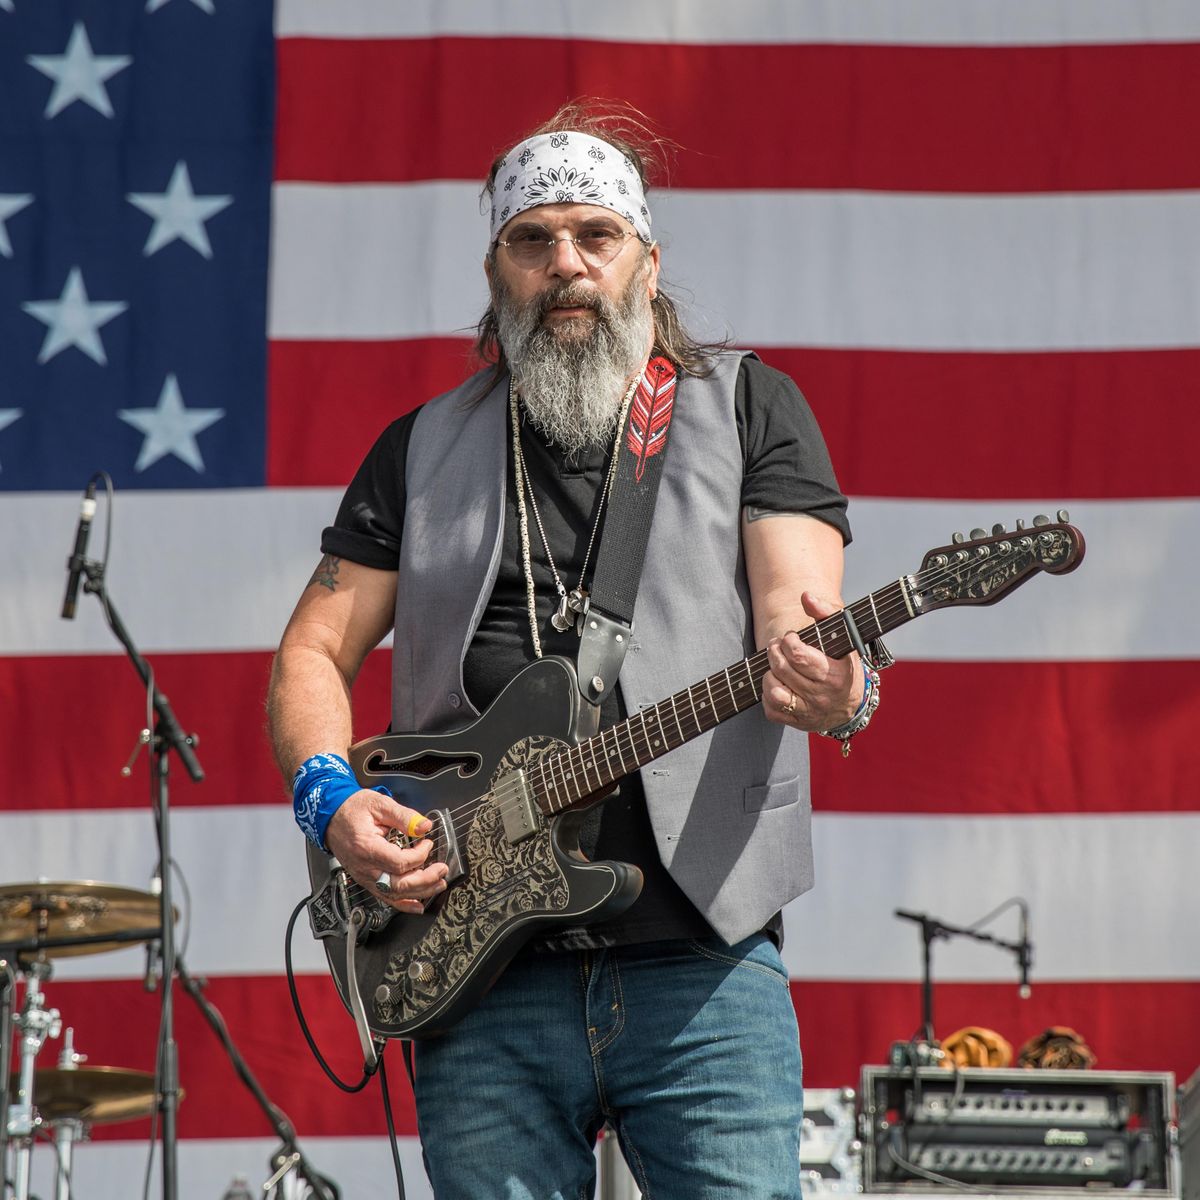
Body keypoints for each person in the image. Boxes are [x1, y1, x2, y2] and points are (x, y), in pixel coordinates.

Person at [267, 101, 877, 1200]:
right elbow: (313, 648)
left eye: (597, 235)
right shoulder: (418, 449)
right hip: (473, 973)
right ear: (495, 270)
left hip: (702, 964)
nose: (567, 264)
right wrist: (329, 798)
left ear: (648, 260)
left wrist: (833, 685)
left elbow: (803, 613)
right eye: (532, 240)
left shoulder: (748, 407)